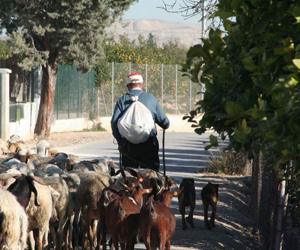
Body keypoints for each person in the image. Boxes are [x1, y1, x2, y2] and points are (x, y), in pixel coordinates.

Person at [111, 72, 170, 171]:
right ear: (143, 85)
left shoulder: (122, 100)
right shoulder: (151, 99)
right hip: (149, 145)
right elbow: (164, 122)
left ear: (128, 86)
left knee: (129, 177)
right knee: (151, 176)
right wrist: (165, 125)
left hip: (128, 146)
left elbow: (114, 122)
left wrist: (120, 142)